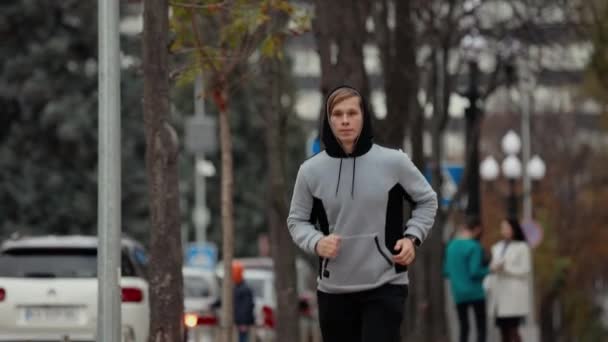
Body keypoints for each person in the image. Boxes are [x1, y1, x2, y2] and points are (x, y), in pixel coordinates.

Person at [286, 85, 438, 342]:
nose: (345, 120)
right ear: (328, 119)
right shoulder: (311, 171)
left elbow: (427, 200)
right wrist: (317, 242)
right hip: (334, 289)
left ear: (364, 116)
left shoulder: (393, 163)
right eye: (337, 114)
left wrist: (412, 238)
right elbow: (297, 220)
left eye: (352, 113)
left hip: (385, 283)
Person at [444, 217, 489, 342]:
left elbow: (446, 271)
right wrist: (490, 269)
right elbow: (475, 272)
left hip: (458, 293)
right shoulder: (474, 246)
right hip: (475, 292)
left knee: (464, 328)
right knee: (481, 327)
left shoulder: (450, 247)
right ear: (477, 229)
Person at [487, 219, 531, 342]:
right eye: (503, 228)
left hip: (514, 295)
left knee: (513, 330)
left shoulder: (522, 247)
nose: (504, 231)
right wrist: (492, 268)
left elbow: (525, 270)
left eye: (507, 228)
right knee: (503, 331)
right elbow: (492, 266)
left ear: (514, 229)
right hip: (499, 295)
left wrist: (506, 268)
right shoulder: (497, 247)